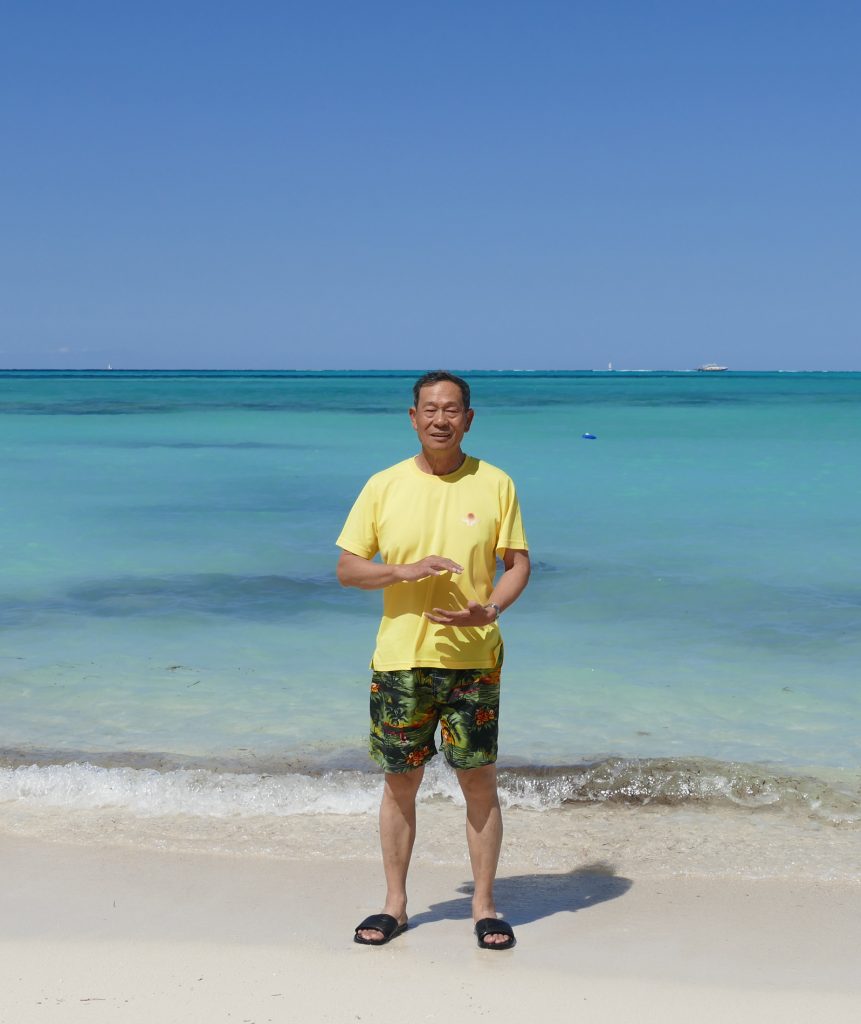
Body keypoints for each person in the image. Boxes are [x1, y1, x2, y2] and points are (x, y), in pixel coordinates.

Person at [336, 370, 530, 950]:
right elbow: (348, 569)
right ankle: (394, 905)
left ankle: (485, 906)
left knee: (478, 781)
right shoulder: (383, 485)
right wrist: (403, 570)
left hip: (475, 660)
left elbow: (518, 564)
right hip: (401, 660)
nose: (441, 418)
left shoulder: (496, 483)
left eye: (452, 409)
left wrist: (489, 610)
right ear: (413, 417)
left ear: (468, 419)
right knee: (401, 783)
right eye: (430, 409)